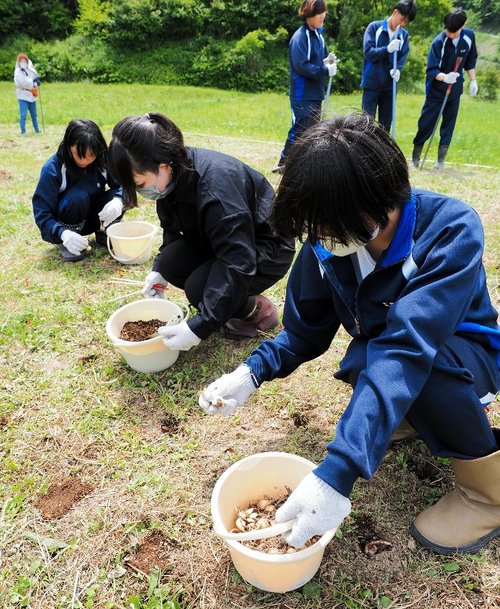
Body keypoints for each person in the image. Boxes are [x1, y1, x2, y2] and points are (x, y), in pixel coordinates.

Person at [199, 113, 500, 555]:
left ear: (376, 202)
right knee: (362, 360)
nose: (319, 240)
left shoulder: (450, 231)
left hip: (462, 356)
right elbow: (304, 332)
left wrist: (338, 472)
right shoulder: (330, 239)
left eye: (325, 229)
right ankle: (411, 418)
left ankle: (487, 495)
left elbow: (408, 348)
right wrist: (249, 373)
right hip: (392, 351)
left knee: (417, 364)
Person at [108, 112, 296, 350]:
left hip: (265, 247)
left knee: (199, 289)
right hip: (222, 240)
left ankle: (257, 312)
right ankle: (225, 302)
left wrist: (200, 326)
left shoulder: (215, 190)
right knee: (169, 263)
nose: (142, 192)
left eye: (140, 185)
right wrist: (159, 272)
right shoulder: (171, 176)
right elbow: (172, 229)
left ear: (163, 166)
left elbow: (238, 260)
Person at [32, 119, 124, 262]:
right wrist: (62, 233)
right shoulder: (53, 168)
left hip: (95, 216)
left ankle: (104, 232)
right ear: (68, 146)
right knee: (77, 196)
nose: (85, 161)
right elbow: (42, 212)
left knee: (115, 196)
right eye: (79, 155)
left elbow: (123, 184)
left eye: (91, 155)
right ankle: (71, 241)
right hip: (69, 220)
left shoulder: (103, 158)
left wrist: (118, 200)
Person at [272, 0, 337, 174]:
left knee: (313, 130)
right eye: (320, 13)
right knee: (300, 128)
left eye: (324, 13)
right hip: (302, 94)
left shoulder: (318, 35)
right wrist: (325, 70)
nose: (323, 16)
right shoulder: (300, 37)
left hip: (316, 93)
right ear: (309, 15)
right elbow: (302, 65)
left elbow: (321, 59)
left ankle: (304, 163)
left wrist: (329, 61)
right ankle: (284, 162)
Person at [412, 8, 478, 169]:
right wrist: (445, 77)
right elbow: (431, 70)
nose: (450, 34)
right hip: (436, 90)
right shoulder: (439, 42)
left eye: (454, 32)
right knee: (426, 123)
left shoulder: (469, 37)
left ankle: (440, 161)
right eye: (448, 30)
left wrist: (473, 80)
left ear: (463, 25)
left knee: (448, 124)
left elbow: (470, 60)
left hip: (455, 90)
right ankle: (416, 157)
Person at [361, 1, 417, 132]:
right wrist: (387, 49)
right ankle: (365, 151)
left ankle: (382, 152)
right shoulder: (374, 27)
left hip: (390, 85)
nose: (402, 24)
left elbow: (403, 56)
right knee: (366, 122)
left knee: (385, 125)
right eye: (402, 19)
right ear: (395, 12)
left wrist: (398, 69)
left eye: (406, 22)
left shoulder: (404, 35)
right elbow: (368, 53)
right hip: (372, 83)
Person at [14, 53, 41, 136]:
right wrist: (32, 82)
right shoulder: (18, 72)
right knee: (23, 115)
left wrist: (37, 82)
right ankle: (23, 131)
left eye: (24, 61)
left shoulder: (31, 70)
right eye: (21, 61)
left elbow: (35, 79)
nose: (23, 62)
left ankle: (37, 130)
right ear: (19, 62)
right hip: (22, 95)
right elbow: (21, 82)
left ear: (27, 61)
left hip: (31, 95)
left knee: (34, 114)